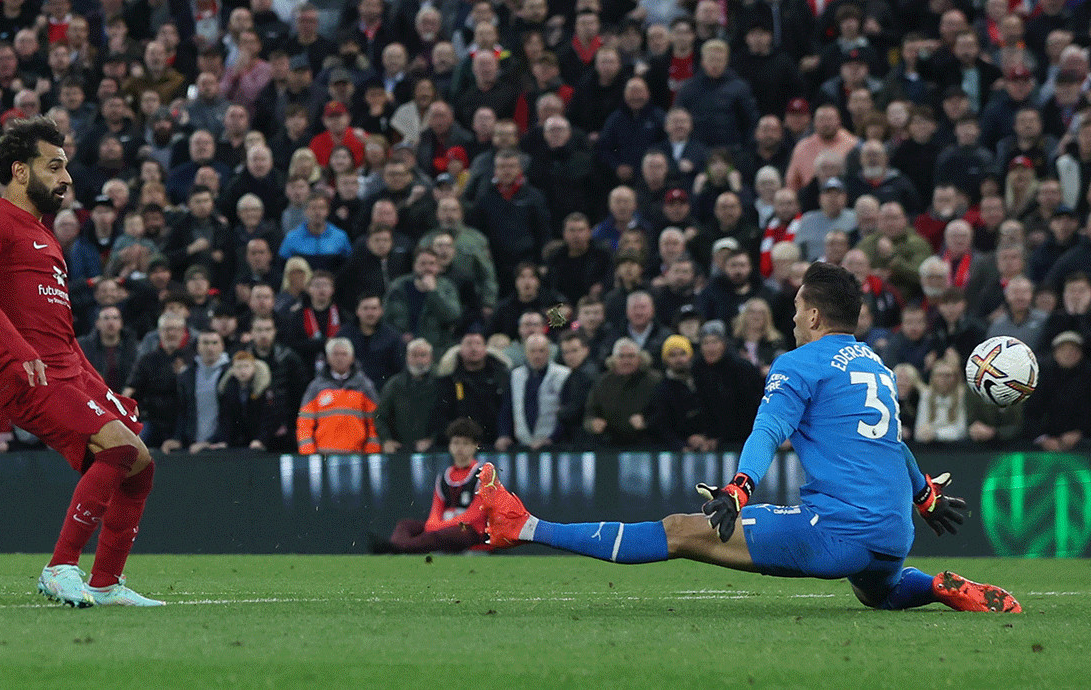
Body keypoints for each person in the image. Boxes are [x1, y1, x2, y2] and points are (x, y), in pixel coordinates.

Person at [476, 262, 1022, 614]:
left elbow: (767, 430)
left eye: (794, 308)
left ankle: (521, 525)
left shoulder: (799, 362)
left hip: (836, 530)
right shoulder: (876, 364)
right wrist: (924, 493)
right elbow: (892, 445)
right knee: (876, 590)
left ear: (811, 313)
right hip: (894, 532)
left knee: (678, 531)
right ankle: (934, 587)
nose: (791, 317)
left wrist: (739, 489)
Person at [0, 117, 163, 607]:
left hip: (64, 368)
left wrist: (98, 385)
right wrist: (18, 347)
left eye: (66, 166)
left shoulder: (48, 238)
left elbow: (61, 335)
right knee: (118, 449)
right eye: (55, 166)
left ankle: (106, 584)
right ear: (20, 172)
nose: (66, 177)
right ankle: (60, 567)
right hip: (21, 371)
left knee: (140, 463)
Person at [368, 418, 489, 554]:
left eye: (465, 443)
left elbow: (475, 515)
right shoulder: (444, 476)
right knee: (405, 525)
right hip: (443, 527)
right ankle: (397, 547)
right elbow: (436, 511)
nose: (460, 448)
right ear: (449, 445)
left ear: (475, 446)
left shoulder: (484, 475)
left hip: (470, 530)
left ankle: (395, 548)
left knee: (439, 535)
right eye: (456, 443)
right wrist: (434, 525)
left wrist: (440, 526)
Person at [296, 336, 381, 454]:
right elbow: (304, 422)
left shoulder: (365, 386)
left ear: (352, 358)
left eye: (344, 354)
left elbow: (375, 422)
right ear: (328, 358)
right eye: (335, 354)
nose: (340, 358)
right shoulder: (315, 387)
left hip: (358, 456)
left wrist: (371, 452)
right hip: (323, 456)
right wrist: (308, 453)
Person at [375, 338, 439, 453]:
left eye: (423, 355)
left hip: (433, 451)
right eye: (414, 355)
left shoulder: (440, 384)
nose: (419, 360)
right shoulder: (394, 384)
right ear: (407, 358)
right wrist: (386, 440)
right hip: (400, 450)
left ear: (431, 358)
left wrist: (432, 439)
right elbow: (380, 416)